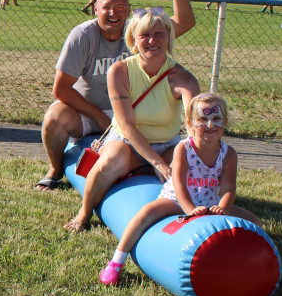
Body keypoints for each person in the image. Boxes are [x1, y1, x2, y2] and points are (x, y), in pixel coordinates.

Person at [35, 0, 195, 192]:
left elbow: (186, 22)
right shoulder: (83, 36)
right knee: (54, 116)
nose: (113, 13)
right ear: (95, 8)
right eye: (107, 7)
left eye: (120, 7)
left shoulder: (139, 34)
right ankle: (55, 169)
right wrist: (100, 118)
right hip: (88, 112)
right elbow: (61, 89)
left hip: (131, 116)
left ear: (129, 11)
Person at [98, 93, 261, 284]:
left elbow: (228, 189)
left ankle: (250, 258)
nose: (209, 125)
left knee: (254, 222)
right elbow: (179, 184)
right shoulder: (183, 148)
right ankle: (117, 261)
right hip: (176, 199)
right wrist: (190, 210)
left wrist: (222, 209)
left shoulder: (228, 154)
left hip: (211, 203)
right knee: (144, 214)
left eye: (216, 119)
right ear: (190, 124)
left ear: (224, 123)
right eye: (202, 119)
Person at [64, 6, 201, 232]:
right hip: (125, 141)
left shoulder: (183, 78)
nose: (152, 41)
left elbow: (193, 123)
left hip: (166, 143)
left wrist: (184, 154)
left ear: (168, 38)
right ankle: (84, 213)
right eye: (144, 35)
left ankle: (191, 218)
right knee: (110, 161)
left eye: (159, 34)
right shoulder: (120, 71)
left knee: (186, 168)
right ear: (134, 40)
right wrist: (156, 163)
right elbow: (126, 126)